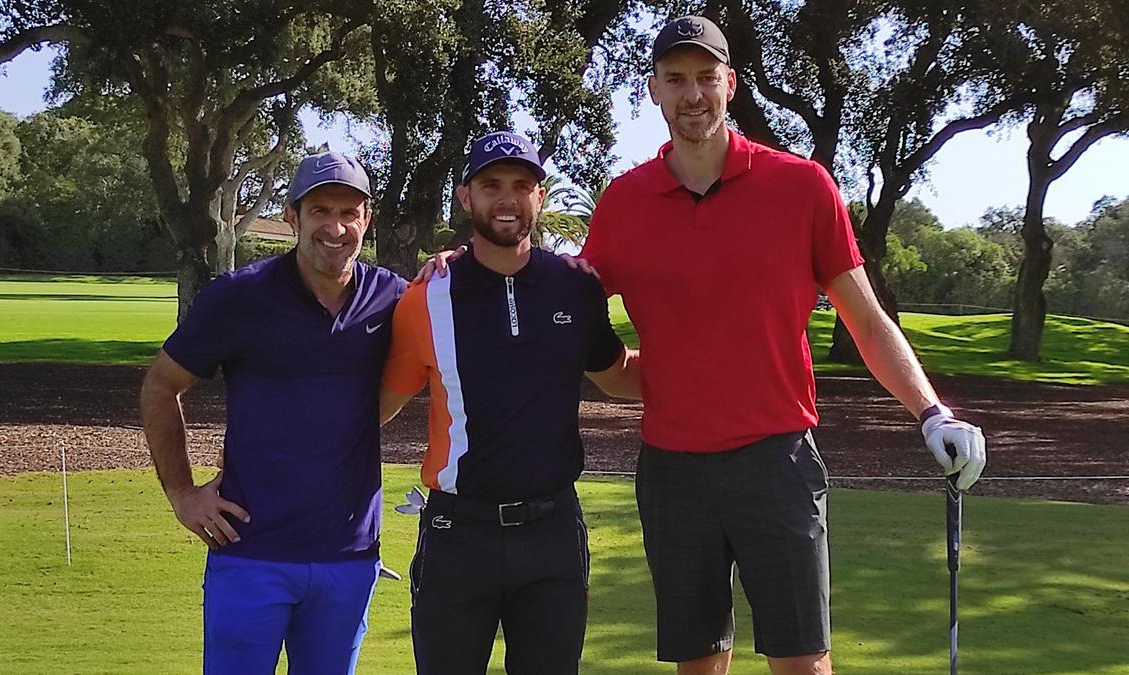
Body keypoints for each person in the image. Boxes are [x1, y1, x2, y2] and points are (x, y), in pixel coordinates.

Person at [575, 16, 988, 675]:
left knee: (803, 663)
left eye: (706, 78)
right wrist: (464, 268)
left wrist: (931, 409)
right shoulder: (624, 202)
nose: (692, 95)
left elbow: (868, 321)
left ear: (730, 84)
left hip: (777, 462)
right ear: (652, 90)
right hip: (671, 472)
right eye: (675, 80)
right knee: (699, 664)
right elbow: (564, 309)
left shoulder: (801, 187)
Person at [379, 130, 641, 675]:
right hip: (457, 534)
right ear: (464, 196)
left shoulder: (574, 287)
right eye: (491, 184)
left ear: (539, 198)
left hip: (552, 534)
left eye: (522, 185)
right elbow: (380, 406)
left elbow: (617, 379)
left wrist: (725, 366)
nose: (507, 198)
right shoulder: (426, 296)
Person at [139, 151, 406, 675]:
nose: (336, 227)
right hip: (249, 552)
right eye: (320, 211)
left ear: (366, 219)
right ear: (293, 216)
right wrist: (182, 495)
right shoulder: (239, 297)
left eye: (349, 213)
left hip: (349, 557)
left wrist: (451, 264)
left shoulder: (393, 298)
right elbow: (160, 385)